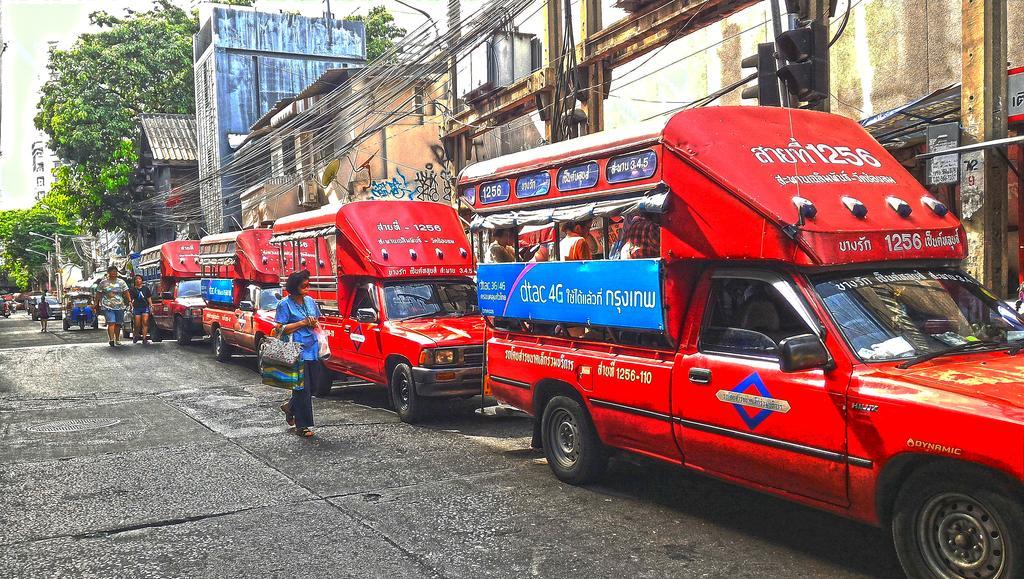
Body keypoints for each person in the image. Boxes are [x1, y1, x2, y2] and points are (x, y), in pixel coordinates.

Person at [276, 270, 326, 438]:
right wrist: (302, 322)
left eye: (308, 284)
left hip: (312, 348)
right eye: (304, 285)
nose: (307, 287)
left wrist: (314, 325)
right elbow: (280, 328)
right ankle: (302, 426)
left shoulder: (311, 301)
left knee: (315, 386)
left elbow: (317, 320)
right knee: (302, 389)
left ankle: (290, 406)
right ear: (295, 287)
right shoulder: (284, 304)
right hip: (296, 350)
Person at [95, 265, 130, 347]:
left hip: (119, 306)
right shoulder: (103, 283)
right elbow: (98, 293)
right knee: (111, 322)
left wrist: (129, 301)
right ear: (108, 273)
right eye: (112, 271)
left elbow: (126, 292)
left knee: (118, 323)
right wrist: (96, 303)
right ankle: (111, 339)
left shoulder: (121, 282)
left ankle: (117, 339)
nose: (114, 273)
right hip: (107, 306)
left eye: (115, 271)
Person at [130, 275, 154, 344]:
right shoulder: (132, 289)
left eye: (139, 279)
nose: (138, 280)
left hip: (145, 307)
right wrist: (130, 305)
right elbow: (131, 299)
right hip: (137, 307)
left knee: (145, 322)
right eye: (136, 279)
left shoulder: (145, 288)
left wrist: (151, 305)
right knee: (137, 324)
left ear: (142, 280)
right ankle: (136, 335)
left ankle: (144, 338)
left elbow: (148, 297)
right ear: (134, 281)